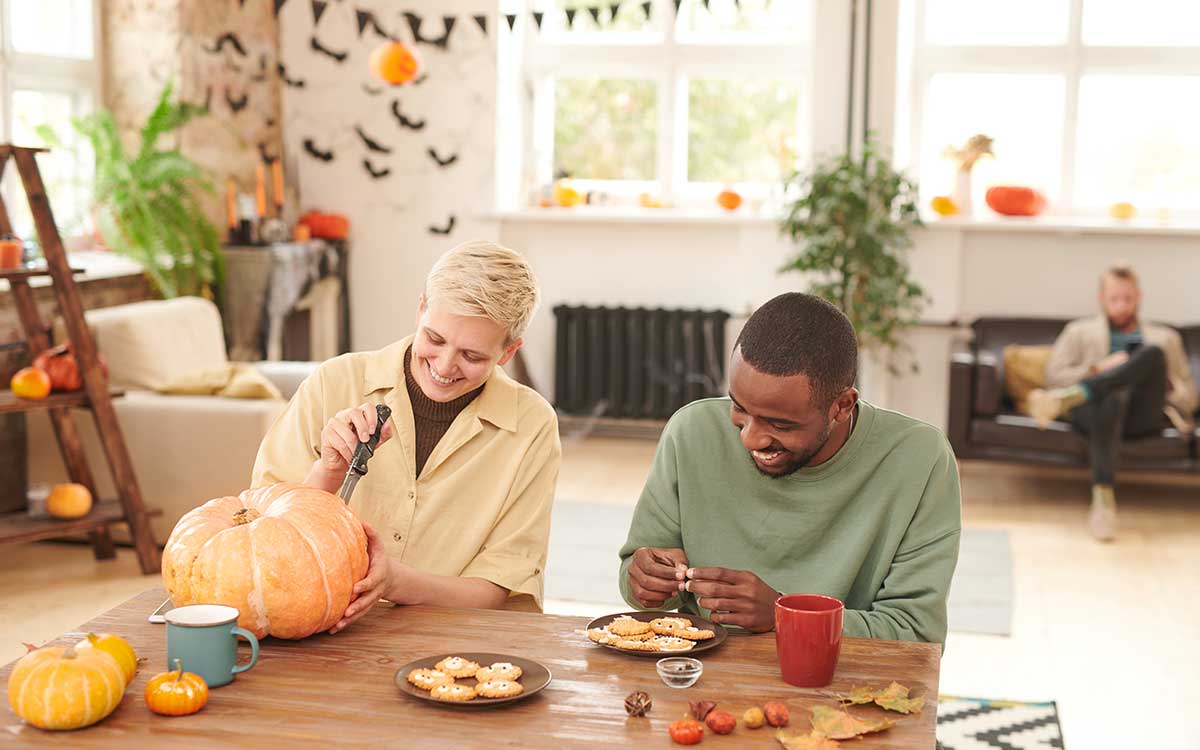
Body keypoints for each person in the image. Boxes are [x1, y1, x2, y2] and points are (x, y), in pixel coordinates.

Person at [252, 241, 561, 633]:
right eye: (434, 338)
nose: (445, 366)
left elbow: (498, 588)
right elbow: (260, 538)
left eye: (472, 356)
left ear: (507, 352)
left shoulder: (532, 425)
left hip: (456, 639)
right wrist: (328, 470)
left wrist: (395, 582)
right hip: (319, 631)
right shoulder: (334, 382)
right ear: (420, 310)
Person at [618, 293, 961, 645]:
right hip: (703, 678)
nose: (750, 439)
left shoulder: (919, 460)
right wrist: (645, 580)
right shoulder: (692, 432)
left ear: (841, 406)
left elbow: (917, 636)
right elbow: (636, 583)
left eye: (779, 425)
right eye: (739, 409)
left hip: (841, 687)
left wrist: (785, 615)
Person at [1029, 262, 1197, 542]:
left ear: (1139, 297)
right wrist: (1098, 369)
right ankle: (1103, 501)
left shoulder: (1165, 337)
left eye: (1128, 299)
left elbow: (1190, 398)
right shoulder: (1078, 332)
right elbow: (1053, 377)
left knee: (1152, 354)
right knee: (1112, 396)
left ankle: (1074, 395)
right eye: (1114, 299)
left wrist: (1166, 384)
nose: (1122, 306)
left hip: (1142, 415)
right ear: (1101, 299)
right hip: (1097, 414)